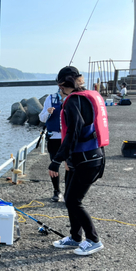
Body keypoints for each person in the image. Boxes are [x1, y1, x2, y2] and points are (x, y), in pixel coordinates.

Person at [48, 66, 107, 256]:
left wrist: (56, 160)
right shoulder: (87, 96)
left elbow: (72, 134)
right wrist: (68, 159)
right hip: (90, 156)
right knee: (69, 198)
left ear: (66, 84)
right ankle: (75, 237)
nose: (60, 89)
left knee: (74, 201)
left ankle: (93, 239)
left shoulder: (73, 102)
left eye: (60, 85)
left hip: (86, 160)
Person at [39, 89, 64, 202]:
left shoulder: (75, 97)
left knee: (71, 166)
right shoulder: (51, 98)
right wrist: (47, 112)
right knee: (54, 166)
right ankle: (56, 191)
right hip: (54, 137)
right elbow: (42, 118)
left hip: (69, 137)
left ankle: (69, 192)